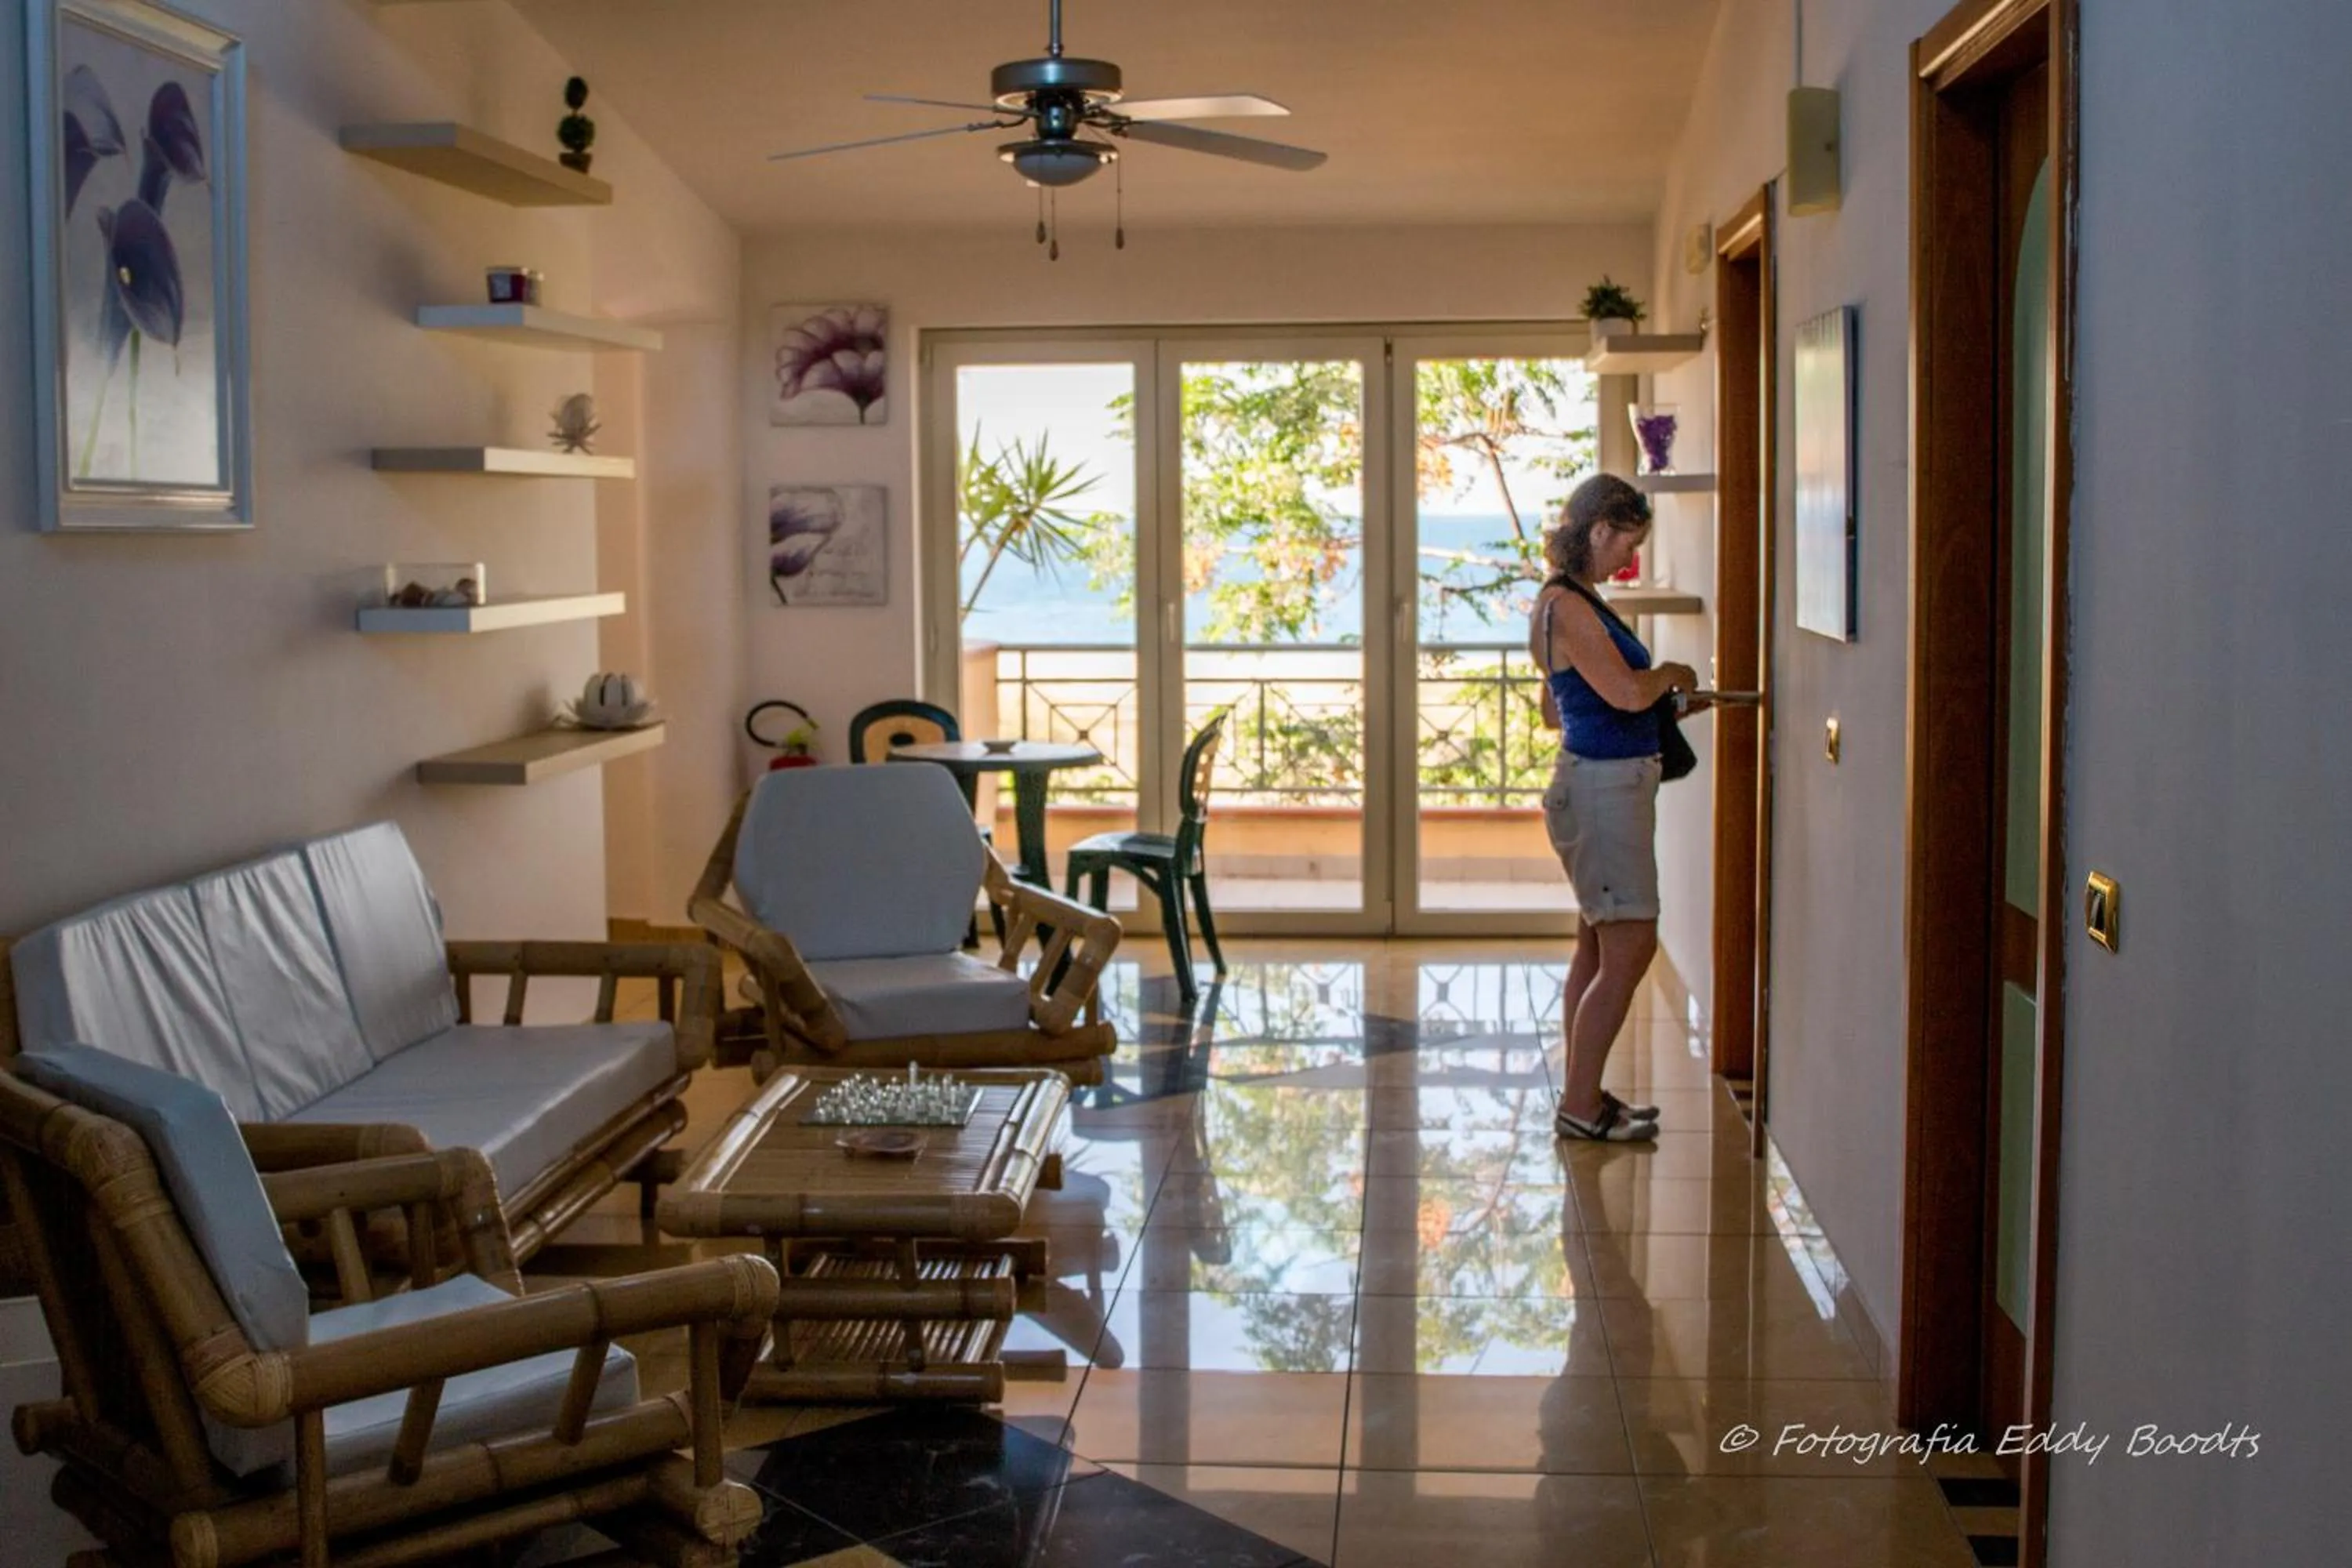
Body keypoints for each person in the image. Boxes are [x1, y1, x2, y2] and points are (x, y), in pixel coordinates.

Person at [1530, 474, 1709, 1142]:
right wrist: (1669, 677)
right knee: (1631, 945)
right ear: (1599, 528)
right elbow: (1629, 696)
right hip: (1602, 790)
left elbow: (1558, 707)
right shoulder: (1568, 605)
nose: (1626, 560)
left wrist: (1662, 696)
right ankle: (1580, 1107)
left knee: (1595, 948)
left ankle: (1585, 1093)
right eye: (1624, 544)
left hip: (1605, 783)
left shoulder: (1574, 601)